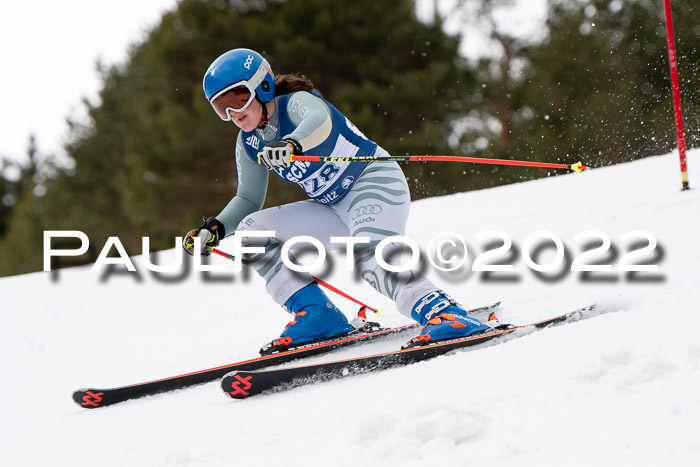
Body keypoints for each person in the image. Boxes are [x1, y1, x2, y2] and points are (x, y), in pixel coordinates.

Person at [183, 48, 489, 351]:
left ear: (262, 86)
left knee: (370, 256)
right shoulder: (249, 142)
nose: (233, 112)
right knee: (253, 232)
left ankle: (445, 314)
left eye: (238, 98)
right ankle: (319, 317)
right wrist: (216, 229)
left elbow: (320, 120)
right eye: (221, 106)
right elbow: (248, 198)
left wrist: (292, 143)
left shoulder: (294, 104)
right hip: (331, 206)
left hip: (372, 181)